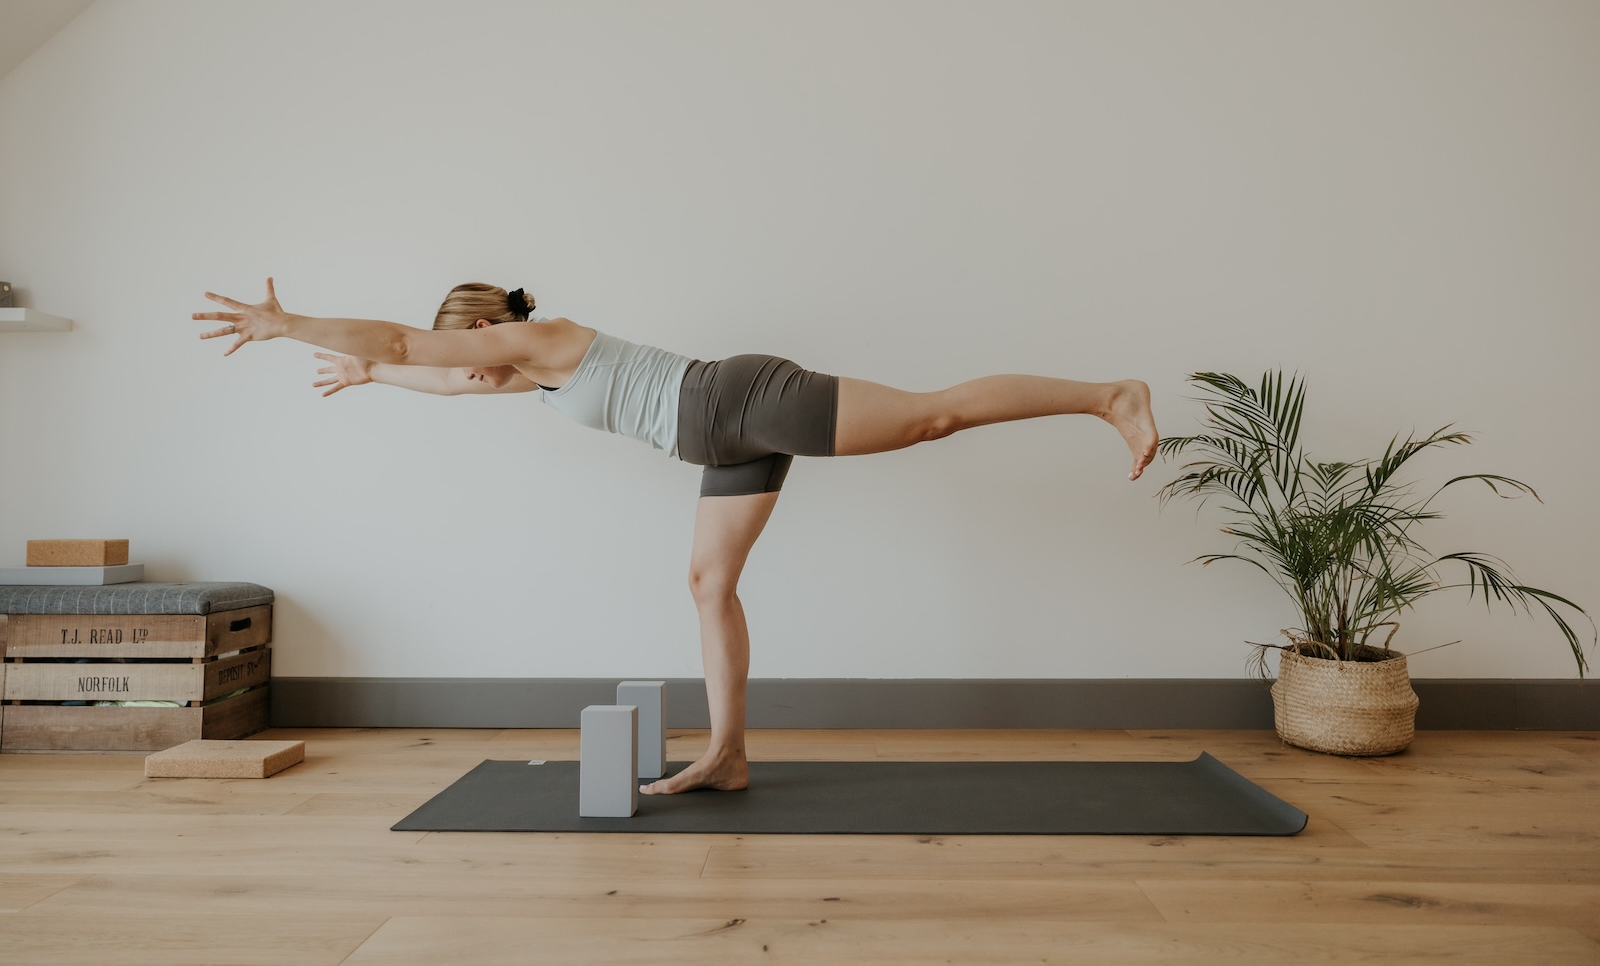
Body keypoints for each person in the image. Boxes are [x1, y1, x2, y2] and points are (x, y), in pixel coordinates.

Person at [195, 278, 1158, 795]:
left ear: (488, 328)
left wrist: (286, 324)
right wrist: (371, 381)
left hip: (744, 397)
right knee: (707, 584)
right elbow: (434, 373)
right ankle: (730, 752)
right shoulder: (524, 371)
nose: (473, 378)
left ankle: (1107, 395)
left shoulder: (542, 336)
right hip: (722, 438)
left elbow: (413, 344)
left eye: (472, 356)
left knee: (931, 418)